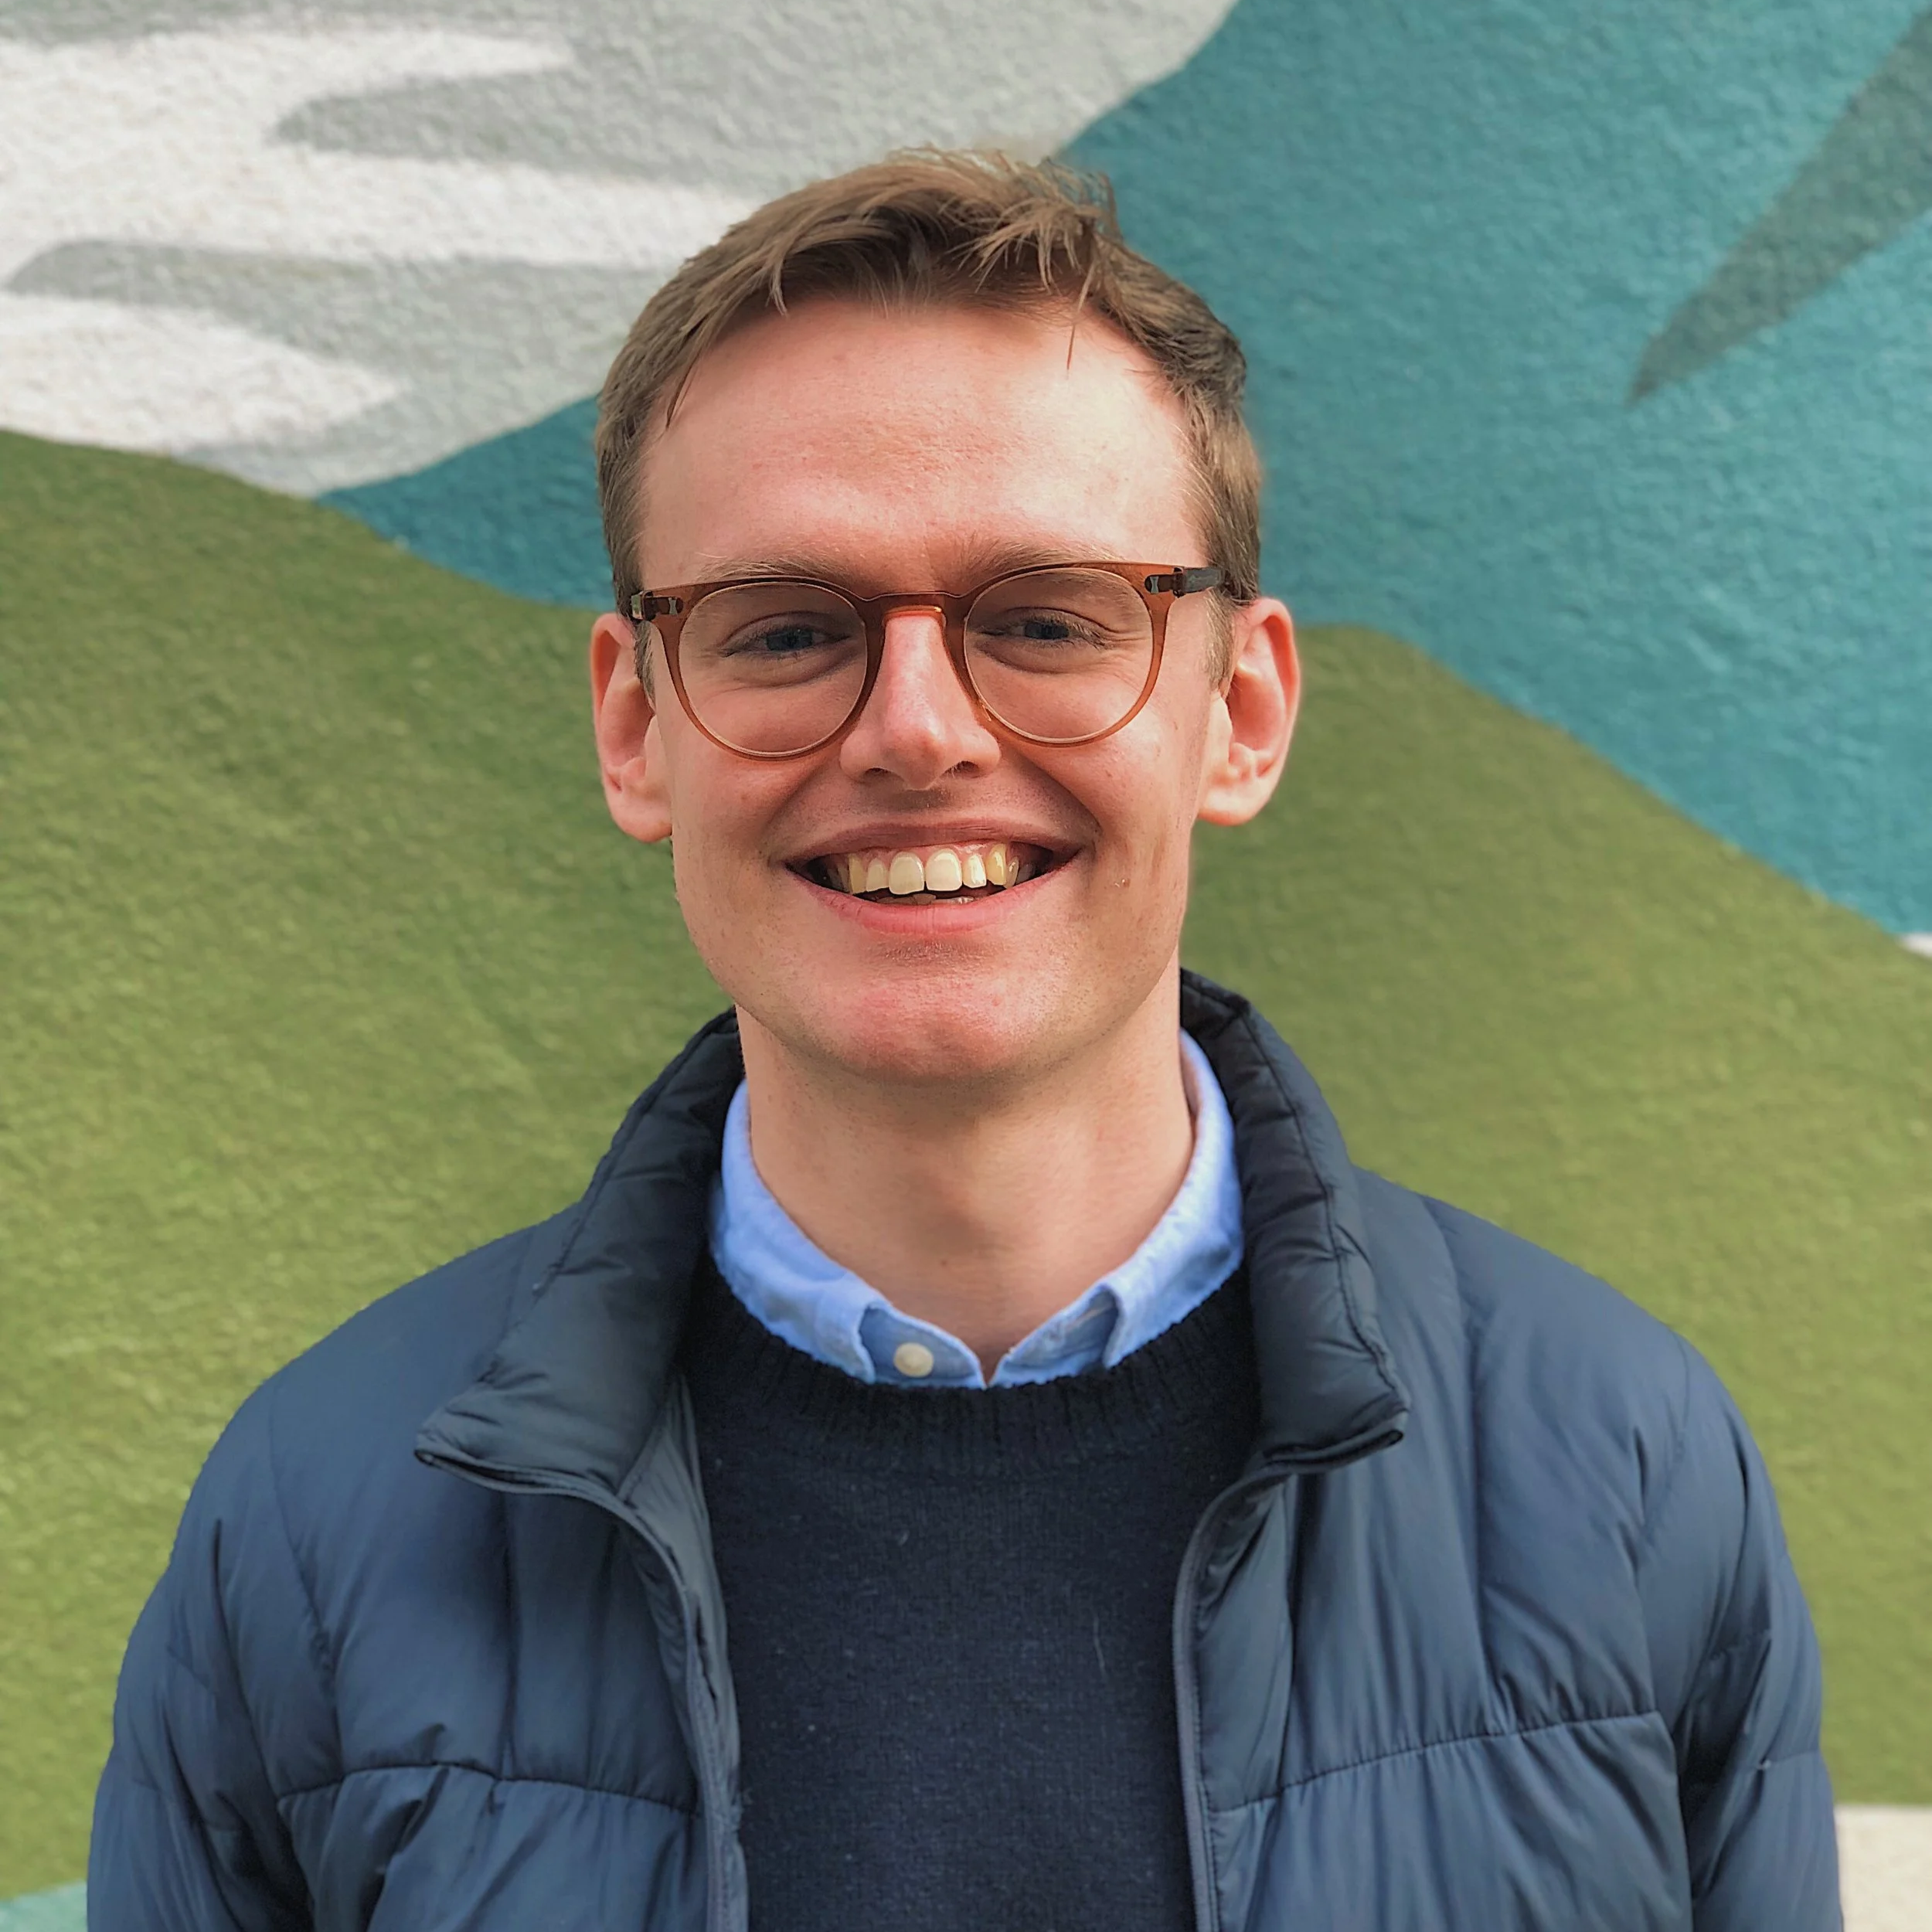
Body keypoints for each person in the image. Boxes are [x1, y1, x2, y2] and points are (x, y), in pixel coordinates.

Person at [89, 151, 1839, 1930]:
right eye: (785, 628)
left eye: (1044, 620)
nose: (916, 730)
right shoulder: (312, 1529)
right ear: (635, 728)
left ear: (1237, 712)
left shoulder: (1617, 1472)